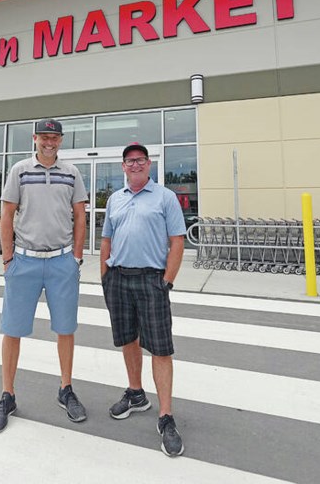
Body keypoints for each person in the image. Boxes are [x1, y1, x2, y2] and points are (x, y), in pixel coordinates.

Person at [0, 118, 88, 434]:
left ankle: (66, 389)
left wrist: (76, 258)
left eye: (54, 138)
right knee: (12, 330)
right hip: (24, 262)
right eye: (44, 137)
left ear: (61, 141)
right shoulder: (19, 171)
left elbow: (80, 216)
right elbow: (6, 215)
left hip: (61, 263)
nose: (49, 142)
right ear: (35, 138)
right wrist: (7, 261)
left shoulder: (72, 174)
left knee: (65, 329)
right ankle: (7, 395)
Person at [100, 142, 187, 457]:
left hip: (152, 280)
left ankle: (165, 416)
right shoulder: (115, 199)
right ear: (123, 167)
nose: (135, 164)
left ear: (148, 164)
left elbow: (177, 240)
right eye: (129, 161)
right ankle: (136, 394)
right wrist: (105, 276)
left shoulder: (165, 198)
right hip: (119, 279)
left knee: (161, 349)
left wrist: (167, 281)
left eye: (140, 160)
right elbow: (106, 237)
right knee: (128, 339)